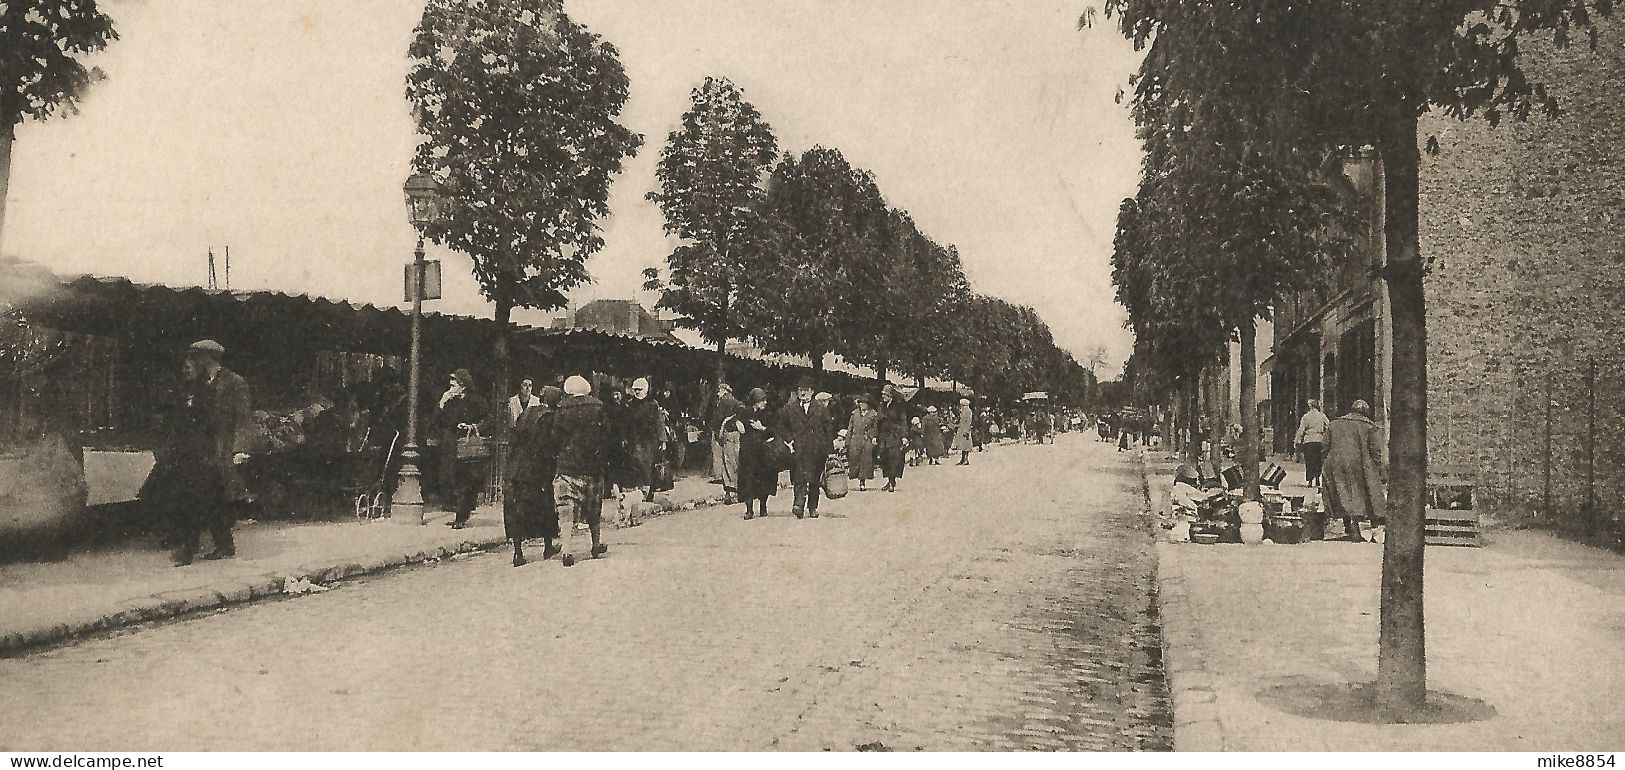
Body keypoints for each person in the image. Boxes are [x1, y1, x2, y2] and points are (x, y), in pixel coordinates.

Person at [170, 340, 253, 565]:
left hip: (222, 450)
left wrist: (241, 449)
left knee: (203, 497)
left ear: (209, 358)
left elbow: (243, 419)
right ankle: (224, 545)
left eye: (197, 357)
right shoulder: (198, 385)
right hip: (201, 451)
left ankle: (188, 550)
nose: (193, 361)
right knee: (210, 498)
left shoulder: (235, 383)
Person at [551, 375, 607, 567]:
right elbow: (606, 434)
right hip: (592, 466)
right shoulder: (599, 407)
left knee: (565, 509)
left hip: (568, 466)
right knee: (594, 506)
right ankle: (595, 544)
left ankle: (567, 550)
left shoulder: (562, 408)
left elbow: (555, 437)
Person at [505, 386, 562, 566]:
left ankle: (518, 553)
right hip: (537, 468)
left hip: (517, 466)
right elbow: (551, 446)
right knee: (544, 505)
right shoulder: (550, 417)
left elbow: (514, 436)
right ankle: (547, 546)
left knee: (518, 507)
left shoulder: (527, 412)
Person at [1321, 399, 1385, 542]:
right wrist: (1378, 468)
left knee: (1342, 493)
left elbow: (1324, 446)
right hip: (1360, 464)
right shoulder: (1369, 427)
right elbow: (1376, 451)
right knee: (1360, 494)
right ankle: (1359, 527)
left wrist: (1326, 462)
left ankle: (1349, 527)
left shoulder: (1334, 424)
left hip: (1335, 463)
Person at [436, 368, 492, 529]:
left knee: (467, 482)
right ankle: (458, 514)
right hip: (453, 445)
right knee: (453, 480)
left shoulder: (477, 400)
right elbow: (438, 421)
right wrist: (442, 402)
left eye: (454, 383)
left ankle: (461, 516)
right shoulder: (450, 401)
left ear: (463, 385)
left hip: (469, 446)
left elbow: (489, 419)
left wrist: (473, 426)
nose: (450, 386)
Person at [776, 377, 836, 519]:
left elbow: (828, 429)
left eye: (806, 390)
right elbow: (780, 425)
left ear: (812, 392)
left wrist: (829, 450)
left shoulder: (821, 409)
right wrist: (789, 439)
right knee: (798, 478)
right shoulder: (790, 408)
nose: (802, 393)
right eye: (800, 390)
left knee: (814, 480)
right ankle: (798, 504)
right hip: (798, 450)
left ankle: (813, 507)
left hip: (817, 450)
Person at [733, 387, 779, 519]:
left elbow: (775, 431)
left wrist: (762, 428)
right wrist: (737, 423)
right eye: (762, 400)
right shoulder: (744, 413)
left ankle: (763, 506)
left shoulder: (768, 414)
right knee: (748, 481)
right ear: (755, 402)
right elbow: (731, 421)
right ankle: (749, 510)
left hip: (764, 453)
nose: (765, 403)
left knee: (765, 480)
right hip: (748, 454)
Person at [623, 377, 664, 507]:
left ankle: (649, 491)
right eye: (635, 390)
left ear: (645, 390)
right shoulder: (630, 404)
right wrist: (624, 437)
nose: (637, 392)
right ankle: (639, 490)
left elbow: (659, 422)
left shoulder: (653, 404)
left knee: (649, 465)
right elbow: (625, 423)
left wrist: (662, 439)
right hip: (634, 438)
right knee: (636, 464)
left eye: (639, 390)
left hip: (649, 439)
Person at [711, 383, 742, 504]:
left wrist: (718, 429)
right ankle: (738, 491)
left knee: (727, 463)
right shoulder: (735, 401)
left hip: (728, 434)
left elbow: (717, 419)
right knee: (735, 461)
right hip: (736, 434)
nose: (718, 392)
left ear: (724, 391)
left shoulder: (723, 401)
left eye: (719, 390)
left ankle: (730, 493)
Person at [876, 386, 908, 493]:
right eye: (883, 394)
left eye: (885, 395)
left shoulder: (898, 407)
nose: (883, 396)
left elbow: (903, 422)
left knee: (893, 459)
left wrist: (904, 436)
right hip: (884, 436)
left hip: (895, 436)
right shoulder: (881, 406)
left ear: (890, 396)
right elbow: (878, 422)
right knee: (884, 459)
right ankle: (889, 480)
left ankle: (892, 482)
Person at [1294, 398, 1330, 487]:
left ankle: (1310, 480)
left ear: (1309, 406)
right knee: (1318, 460)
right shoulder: (1322, 416)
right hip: (1319, 440)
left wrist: (1296, 440)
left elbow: (1301, 429)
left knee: (1309, 460)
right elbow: (1328, 425)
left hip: (1309, 440)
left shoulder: (1306, 417)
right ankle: (1318, 478)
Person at [846, 395, 878, 490]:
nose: (862, 405)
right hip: (855, 439)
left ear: (868, 404)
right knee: (855, 459)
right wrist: (847, 440)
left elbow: (875, 428)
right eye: (861, 403)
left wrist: (872, 436)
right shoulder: (854, 414)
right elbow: (850, 428)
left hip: (866, 439)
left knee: (865, 460)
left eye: (864, 403)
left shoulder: (873, 414)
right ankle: (856, 476)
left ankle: (862, 481)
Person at [952, 398, 975, 466]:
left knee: (966, 445)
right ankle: (962, 459)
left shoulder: (968, 411)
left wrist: (966, 431)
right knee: (962, 445)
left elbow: (968, 422)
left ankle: (966, 459)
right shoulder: (963, 411)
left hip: (965, 430)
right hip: (961, 429)